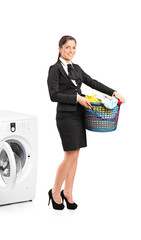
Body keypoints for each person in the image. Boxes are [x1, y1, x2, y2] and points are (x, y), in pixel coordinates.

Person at [47, 35, 125, 210]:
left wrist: (114, 93)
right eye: (67, 47)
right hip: (65, 117)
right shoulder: (54, 69)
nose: (71, 51)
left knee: (75, 156)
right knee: (69, 156)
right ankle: (55, 191)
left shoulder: (77, 68)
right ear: (59, 49)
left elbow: (93, 82)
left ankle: (68, 192)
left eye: (74, 48)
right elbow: (53, 95)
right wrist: (76, 98)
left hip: (79, 115)